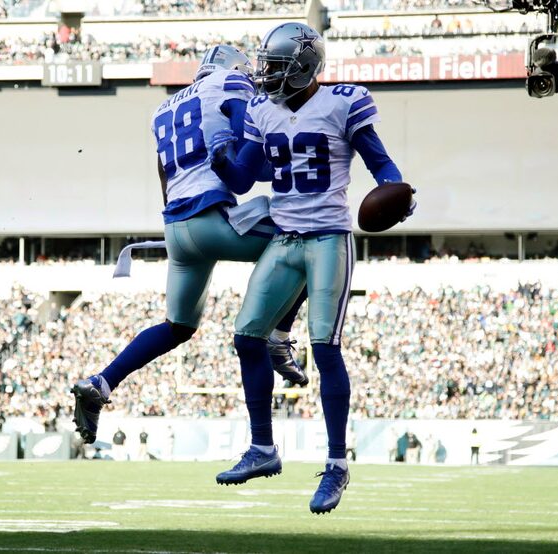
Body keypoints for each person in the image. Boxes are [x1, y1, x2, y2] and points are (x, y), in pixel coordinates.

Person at [209, 22, 413, 514]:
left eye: (276, 67)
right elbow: (240, 177)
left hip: (327, 238)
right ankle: (262, 450)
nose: (266, 75)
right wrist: (219, 160)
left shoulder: (343, 101)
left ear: (302, 66)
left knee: (325, 347)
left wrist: (397, 191)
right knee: (246, 337)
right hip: (284, 235)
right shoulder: (262, 110)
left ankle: (337, 465)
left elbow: (380, 164)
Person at [71, 44, 309, 445]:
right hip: (211, 216)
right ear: (237, 71)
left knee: (177, 326)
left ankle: (102, 383)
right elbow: (246, 144)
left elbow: (164, 174)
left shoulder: (164, 108)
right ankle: (279, 336)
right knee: (307, 244)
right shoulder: (231, 83)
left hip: (177, 229)